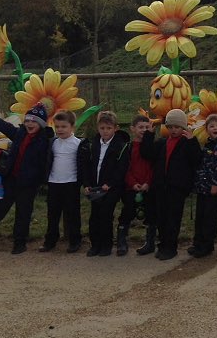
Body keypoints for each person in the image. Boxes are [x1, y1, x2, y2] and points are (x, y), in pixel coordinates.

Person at [0, 102, 54, 255]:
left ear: (41, 123)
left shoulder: (44, 140)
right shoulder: (20, 133)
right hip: (12, 178)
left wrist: (41, 180)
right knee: (1, 208)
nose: (29, 124)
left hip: (28, 183)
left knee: (23, 212)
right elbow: (3, 126)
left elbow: (45, 163)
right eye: (27, 120)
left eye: (34, 121)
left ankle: (19, 242)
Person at [141, 108, 201, 261]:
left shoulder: (186, 143)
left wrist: (192, 141)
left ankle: (171, 247)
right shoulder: (162, 142)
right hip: (161, 187)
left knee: (173, 219)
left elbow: (197, 160)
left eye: (177, 127)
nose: (174, 130)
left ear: (183, 127)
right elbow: (147, 153)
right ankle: (163, 245)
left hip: (177, 188)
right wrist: (149, 134)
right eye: (171, 127)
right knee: (161, 218)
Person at [78, 111, 130, 257]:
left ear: (115, 128)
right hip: (95, 187)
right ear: (98, 128)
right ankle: (95, 245)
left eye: (108, 128)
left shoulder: (121, 146)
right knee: (94, 217)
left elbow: (121, 169)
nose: (105, 131)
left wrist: (110, 183)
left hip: (111, 188)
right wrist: (86, 184)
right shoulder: (92, 145)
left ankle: (106, 245)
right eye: (102, 128)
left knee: (106, 216)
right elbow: (86, 166)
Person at [189, 114, 217, 258]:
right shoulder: (208, 144)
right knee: (200, 216)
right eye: (212, 126)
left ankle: (207, 245)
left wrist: (216, 184)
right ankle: (198, 243)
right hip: (202, 187)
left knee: (210, 218)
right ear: (207, 130)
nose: (215, 128)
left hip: (213, 188)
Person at [41, 110, 83, 253]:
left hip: (71, 183)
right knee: (52, 214)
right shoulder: (53, 143)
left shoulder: (78, 144)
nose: (60, 129)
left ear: (72, 126)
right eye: (57, 126)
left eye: (64, 126)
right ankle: (50, 241)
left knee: (72, 215)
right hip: (54, 183)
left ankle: (75, 241)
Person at [118, 116, 157, 256]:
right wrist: (133, 183)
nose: (143, 130)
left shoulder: (152, 147)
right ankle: (121, 241)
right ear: (132, 129)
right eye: (140, 127)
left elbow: (153, 168)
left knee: (151, 214)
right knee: (127, 213)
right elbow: (125, 168)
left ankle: (150, 242)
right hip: (131, 187)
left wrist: (148, 183)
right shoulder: (128, 147)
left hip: (148, 187)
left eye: (147, 127)